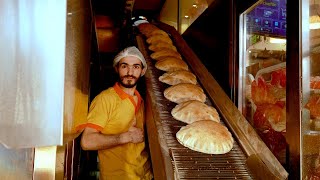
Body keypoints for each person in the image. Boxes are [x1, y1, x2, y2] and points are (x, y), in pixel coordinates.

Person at [78, 46, 153, 180]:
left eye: (136, 67)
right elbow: (87, 141)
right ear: (116, 68)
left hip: (145, 175)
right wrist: (125, 137)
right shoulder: (105, 99)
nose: (130, 72)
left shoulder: (142, 100)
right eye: (125, 66)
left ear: (142, 71)